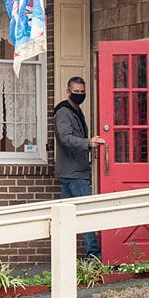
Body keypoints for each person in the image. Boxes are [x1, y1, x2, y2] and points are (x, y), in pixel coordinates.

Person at [53, 76, 106, 259]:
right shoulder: (64, 113)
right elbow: (66, 138)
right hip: (74, 173)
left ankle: (63, 255)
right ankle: (95, 256)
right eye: (76, 92)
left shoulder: (76, 111)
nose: (79, 95)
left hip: (74, 171)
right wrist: (88, 143)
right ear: (68, 92)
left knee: (67, 218)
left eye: (82, 92)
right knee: (85, 213)